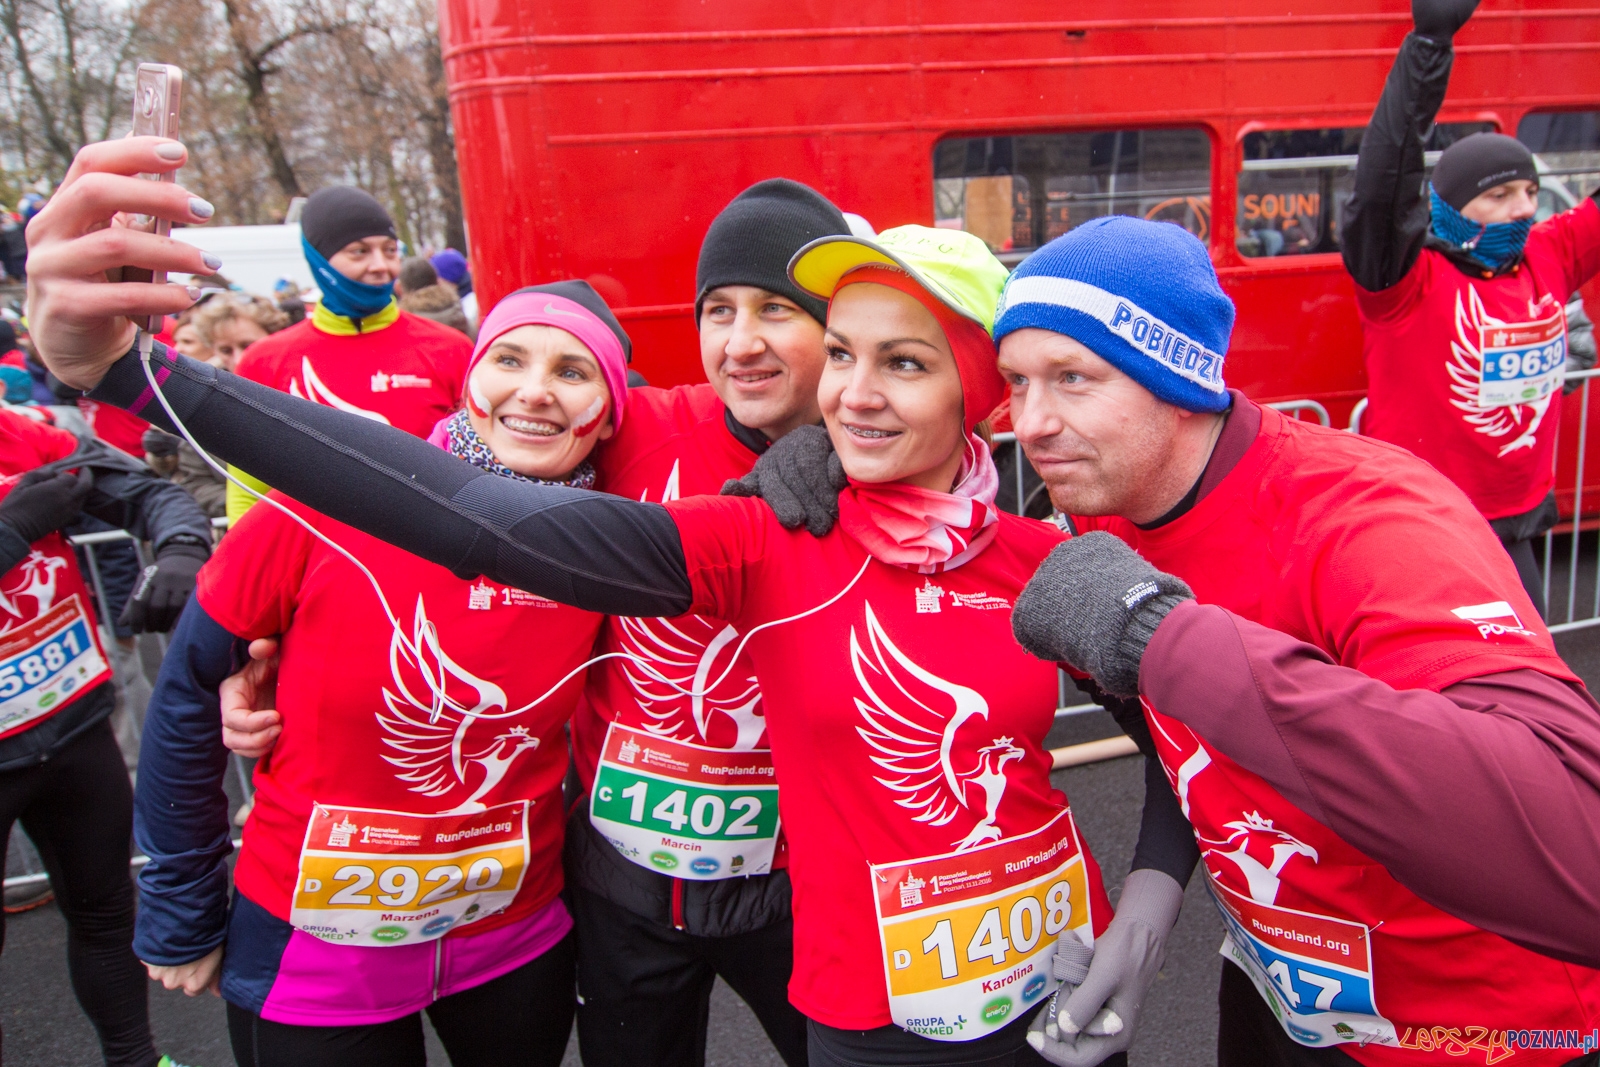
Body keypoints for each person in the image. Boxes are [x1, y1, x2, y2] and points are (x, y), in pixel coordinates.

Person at [32, 170, 1233, 1063]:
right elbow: (467, 506)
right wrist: (139, 377)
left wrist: (1145, 902)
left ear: (977, 390)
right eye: (848, 360)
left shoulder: (1052, 558)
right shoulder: (746, 530)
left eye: (903, 363)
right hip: (818, 982)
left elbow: (1188, 742)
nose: (856, 390)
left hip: (1050, 975)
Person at [225, 178, 860, 1067]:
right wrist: (264, 649)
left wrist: (846, 451)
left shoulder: (888, 467)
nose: (742, 340)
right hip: (620, 888)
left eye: (779, 310)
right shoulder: (634, 425)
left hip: (802, 884)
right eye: (719, 309)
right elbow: (476, 457)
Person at [960, 211, 1600, 1067]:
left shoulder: (1368, 519)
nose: (1030, 423)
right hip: (1282, 999)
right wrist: (1150, 898)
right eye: (1018, 380)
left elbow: (1580, 839)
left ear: (1173, 375)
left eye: (1073, 377)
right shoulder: (1104, 503)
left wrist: (1164, 638)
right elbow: (1182, 737)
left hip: (1484, 1034)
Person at [134, 282, 631, 1067]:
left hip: (511, 934)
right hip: (317, 948)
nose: (534, 389)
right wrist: (179, 908)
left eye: (574, 371)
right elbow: (189, 692)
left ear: (607, 410)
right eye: (509, 357)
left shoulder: (609, 552)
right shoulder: (331, 502)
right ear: (471, 378)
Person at [1342, 0, 1600, 619]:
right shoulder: (1403, 281)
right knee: (1434, 699)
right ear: (1454, 207)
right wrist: (1428, 48)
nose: (1523, 208)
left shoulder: (1549, 254)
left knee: (1531, 691)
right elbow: (1385, 181)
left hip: (1520, 529)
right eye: (1501, 194)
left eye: (1532, 192)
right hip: (1423, 527)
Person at [0, 406, 212, 1067]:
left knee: (105, 909)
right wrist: (14, 529)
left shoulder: (19, 430)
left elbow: (147, 491)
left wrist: (181, 547)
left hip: (70, 720)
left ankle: (136, 1059)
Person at [224, 186, 471, 520]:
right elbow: (247, 488)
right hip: (318, 562)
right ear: (317, 258)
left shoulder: (451, 347)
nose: (381, 266)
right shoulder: (264, 360)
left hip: (431, 556)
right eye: (359, 252)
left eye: (389, 250)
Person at [431, 249, 478, 328]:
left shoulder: (471, 307)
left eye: (438, 281)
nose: (436, 287)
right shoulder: (463, 300)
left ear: (450, 281)